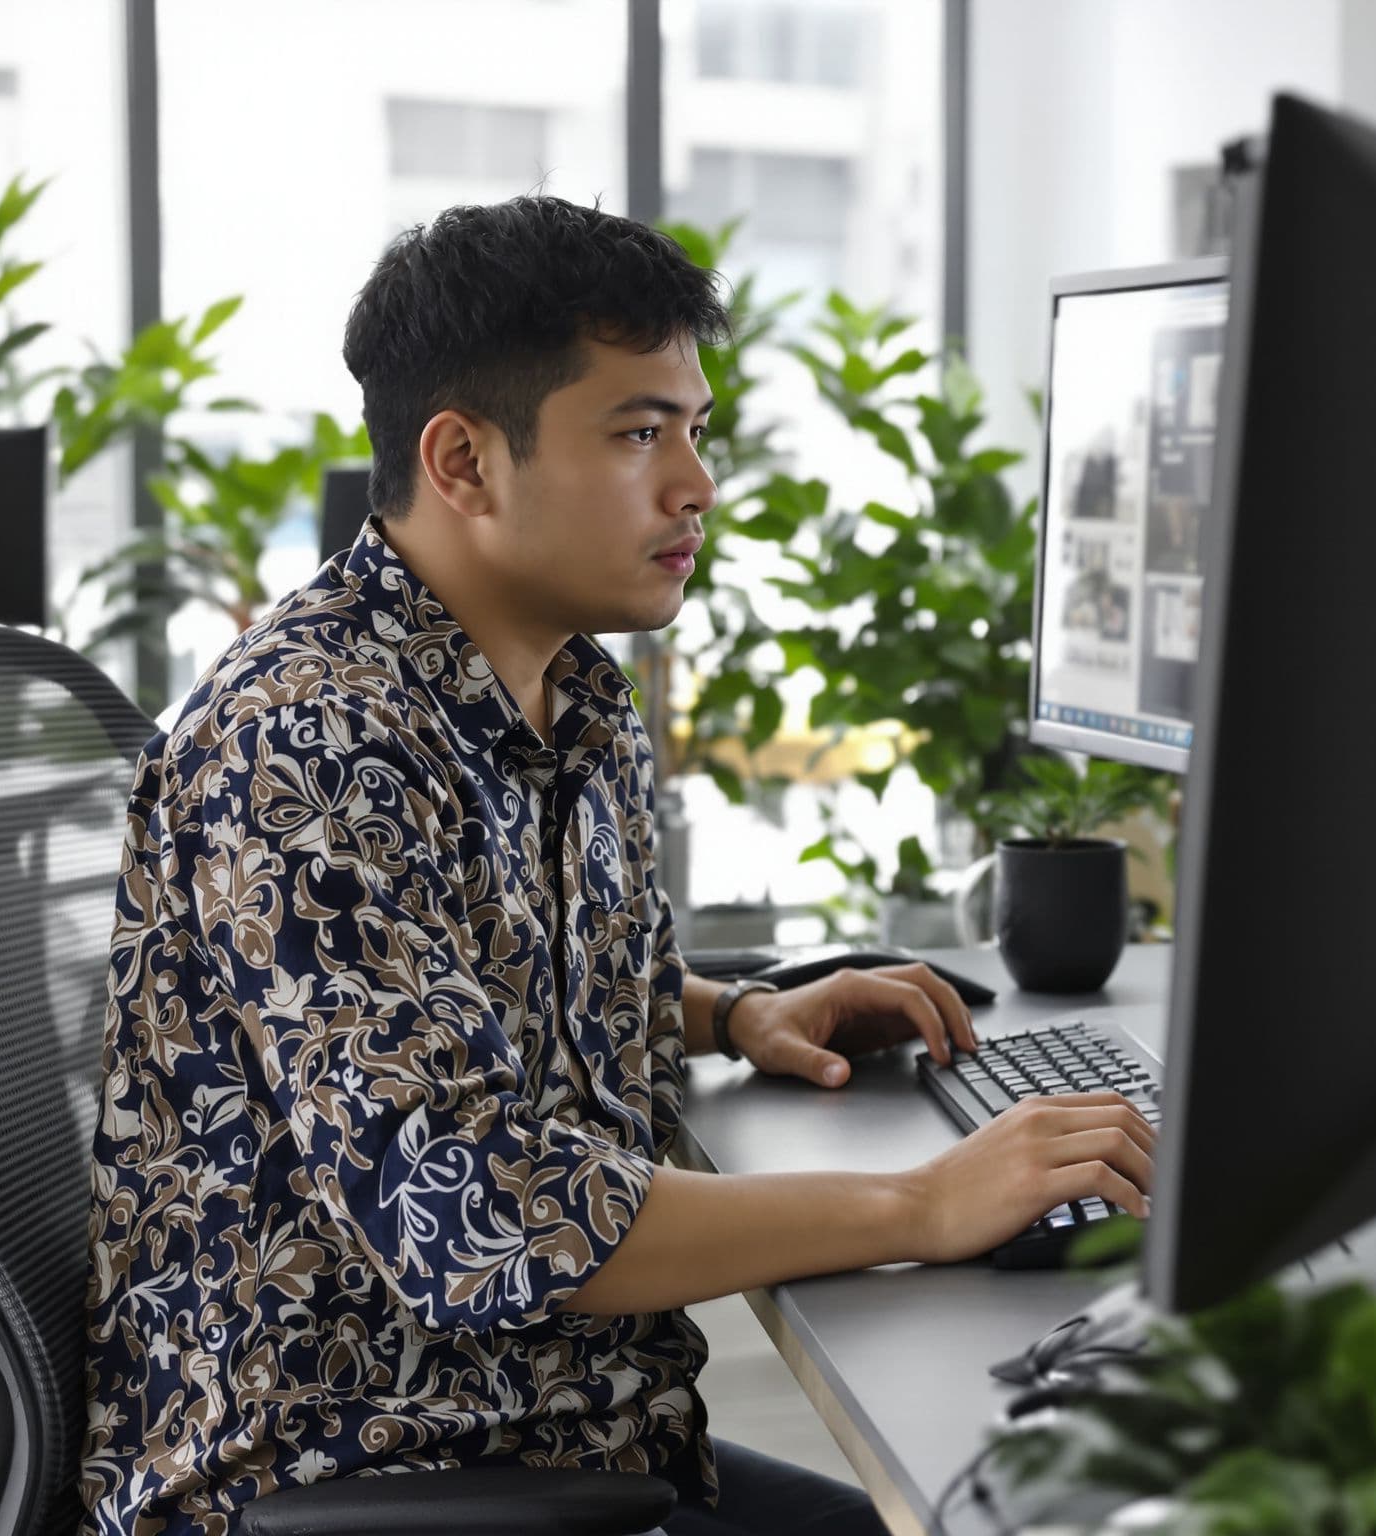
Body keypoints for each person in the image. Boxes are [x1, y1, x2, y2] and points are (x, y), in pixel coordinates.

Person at [74, 197, 1157, 1536]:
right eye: (640, 432)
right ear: (464, 461)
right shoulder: (305, 739)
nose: (695, 483)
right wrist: (920, 1202)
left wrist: (735, 1013)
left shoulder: (565, 694)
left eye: (692, 432)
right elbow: (467, 1204)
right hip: (349, 1474)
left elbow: (466, 984)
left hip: (552, 1439)